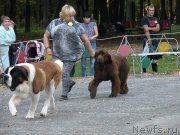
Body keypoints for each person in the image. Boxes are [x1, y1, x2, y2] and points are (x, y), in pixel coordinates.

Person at [43, 4, 94, 101]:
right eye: (69, 15)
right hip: (57, 54)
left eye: (72, 15)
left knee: (65, 73)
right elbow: (46, 36)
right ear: (63, 15)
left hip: (72, 55)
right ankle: (69, 83)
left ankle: (64, 94)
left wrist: (91, 52)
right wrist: (47, 47)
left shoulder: (77, 25)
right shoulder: (54, 23)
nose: (71, 17)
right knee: (54, 72)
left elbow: (86, 40)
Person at [141, 4, 161, 73]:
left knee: (155, 55)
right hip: (147, 39)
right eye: (150, 10)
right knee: (146, 55)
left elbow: (158, 28)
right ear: (147, 11)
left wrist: (149, 28)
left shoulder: (155, 19)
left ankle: (155, 72)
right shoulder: (144, 18)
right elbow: (146, 30)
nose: (152, 12)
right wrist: (149, 40)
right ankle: (144, 72)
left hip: (155, 39)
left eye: (153, 10)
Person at [81, 12, 98, 77]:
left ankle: (92, 75)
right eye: (86, 18)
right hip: (83, 44)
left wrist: (92, 37)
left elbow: (96, 34)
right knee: (83, 62)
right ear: (83, 18)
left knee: (93, 60)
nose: (88, 19)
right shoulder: (80, 25)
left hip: (92, 43)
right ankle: (83, 76)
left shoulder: (93, 24)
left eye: (89, 18)